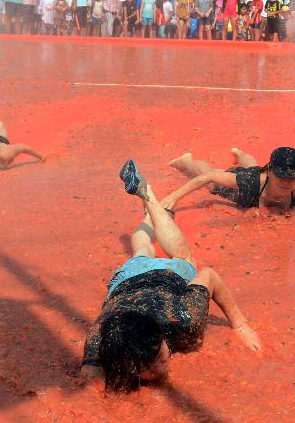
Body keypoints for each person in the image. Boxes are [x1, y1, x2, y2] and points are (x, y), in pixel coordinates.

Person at [80, 159, 260, 393]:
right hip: (127, 280)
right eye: (148, 364)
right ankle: (152, 204)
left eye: (158, 357)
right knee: (150, 251)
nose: (158, 366)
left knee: (177, 257)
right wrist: (90, 369)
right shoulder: (107, 342)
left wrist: (240, 325)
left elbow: (209, 276)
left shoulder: (183, 319)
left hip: (154, 280)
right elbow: (98, 331)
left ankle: (151, 200)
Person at [165, 147, 295, 212]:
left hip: (256, 171)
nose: (286, 183)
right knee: (213, 183)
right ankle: (187, 161)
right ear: (271, 171)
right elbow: (207, 176)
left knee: (251, 165)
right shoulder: (251, 182)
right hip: (248, 181)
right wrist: (174, 197)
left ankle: (240, 153)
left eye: (291, 178)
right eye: (281, 177)